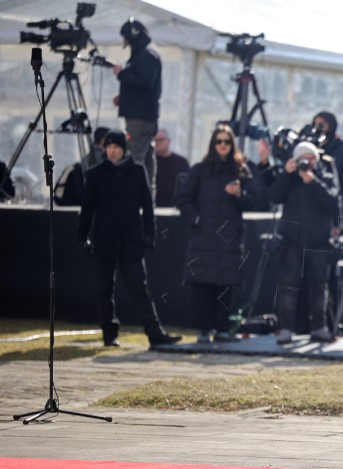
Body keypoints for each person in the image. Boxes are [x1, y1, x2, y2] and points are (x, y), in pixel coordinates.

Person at [77, 129, 181, 348]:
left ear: (124, 148)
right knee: (105, 289)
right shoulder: (95, 174)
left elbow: (147, 207)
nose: (112, 151)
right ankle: (109, 334)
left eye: (116, 147)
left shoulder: (137, 171)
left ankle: (154, 333)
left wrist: (150, 235)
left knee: (139, 288)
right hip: (104, 240)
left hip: (130, 240)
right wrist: (82, 237)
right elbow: (87, 209)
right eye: (109, 147)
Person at [175, 124, 256, 343]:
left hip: (229, 238)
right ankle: (203, 330)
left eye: (227, 142)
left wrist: (239, 194)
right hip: (204, 236)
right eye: (219, 141)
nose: (223, 145)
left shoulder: (241, 170)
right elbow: (183, 199)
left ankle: (222, 329)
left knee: (225, 286)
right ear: (213, 144)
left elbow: (254, 202)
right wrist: (196, 220)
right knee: (202, 286)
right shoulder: (199, 170)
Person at [269, 141, 340, 344]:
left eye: (311, 159)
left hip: (319, 241)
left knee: (319, 287)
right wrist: (285, 173)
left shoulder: (324, 176)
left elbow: (332, 200)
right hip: (292, 240)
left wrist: (312, 180)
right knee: (288, 287)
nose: (307, 163)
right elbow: (273, 196)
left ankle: (319, 328)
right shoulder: (289, 179)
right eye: (303, 159)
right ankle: (286, 329)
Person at [112, 18, 161, 198]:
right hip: (142, 115)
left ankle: (134, 199)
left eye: (126, 38)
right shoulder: (145, 54)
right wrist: (124, 98)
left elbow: (146, 82)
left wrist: (122, 74)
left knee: (135, 157)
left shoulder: (147, 55)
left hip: (140, 118)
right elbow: (145, 87)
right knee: (145, 155)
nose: (124, 42)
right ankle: (147, 199)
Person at [312, 111, 343, 229]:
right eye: (315, 124)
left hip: (335, 204)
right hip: (312, 205)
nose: (318, 128)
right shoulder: (311, 148)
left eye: (322, 124)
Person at [153, 128, 189, 207]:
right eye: (155, 140)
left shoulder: (181, 162)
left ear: (169, 141)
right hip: (153, 207)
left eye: (160, 140)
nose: (157, 143)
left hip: (174, 208)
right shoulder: (149, 162)